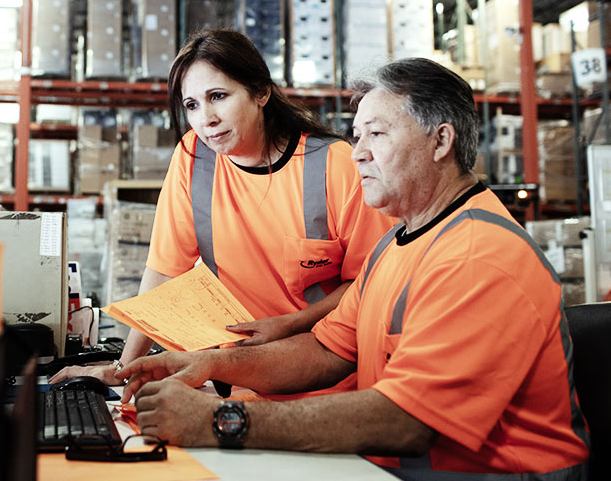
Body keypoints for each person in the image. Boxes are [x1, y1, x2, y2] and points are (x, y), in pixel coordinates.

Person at [116, 58, 590, 479]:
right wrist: (207, 363)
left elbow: (407, 422)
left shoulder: (477, 257)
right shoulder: (397, 242)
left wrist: (221, 420)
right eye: (357, 135)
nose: (357, 152)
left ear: (440, 140)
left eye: (377, 134)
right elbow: (325, 350)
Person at [52, 29, 393, 386]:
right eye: (192, 105)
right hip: (232, 376)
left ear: (260, 92)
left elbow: (370, 281)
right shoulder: (193, 158)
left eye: (218, 96)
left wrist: (288, 324)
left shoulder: (335, 165)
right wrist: (122, 370)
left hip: (324, 379)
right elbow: (164, 276)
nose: (206, 119)